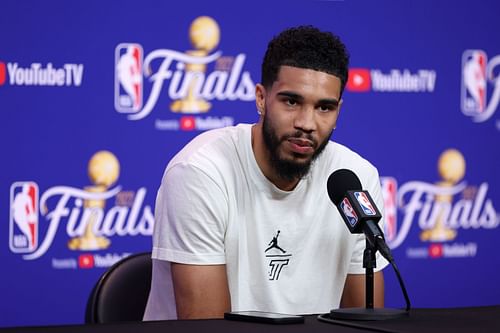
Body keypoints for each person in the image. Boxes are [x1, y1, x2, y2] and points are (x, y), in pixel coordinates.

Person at [143, 25, 388, 320]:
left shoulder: (355, 177)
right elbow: (208, 329)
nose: (307, 123)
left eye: (324, 107)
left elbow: (362, 322)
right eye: (291, 101)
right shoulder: (199, 173)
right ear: (261, 98)